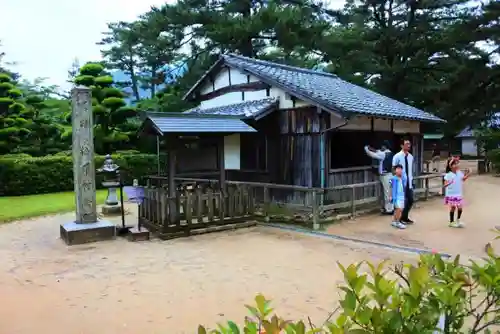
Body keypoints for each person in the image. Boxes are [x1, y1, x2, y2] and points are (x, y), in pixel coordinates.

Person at [364, 140, 394, 214]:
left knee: (387, 193)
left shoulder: (383, 154)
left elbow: (373, 154)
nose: (381, 147)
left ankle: (389, 210)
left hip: (385, 176)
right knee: (389, 192)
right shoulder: (390, 153)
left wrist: (366, 149)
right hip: (390, 175)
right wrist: (371, 148)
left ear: (385, 146)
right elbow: (377, 151)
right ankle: (388, 208)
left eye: (382, 146)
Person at [392, 138, 415, 225]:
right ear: (402, 146)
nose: (408, 146)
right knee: (401, 201)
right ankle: (398, 219)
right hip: (400, 181)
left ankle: (404, 217)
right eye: (406, 144)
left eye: (409, 144)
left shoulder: (410, 157)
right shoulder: (397, 156)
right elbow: (393, 168)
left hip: (408, 180)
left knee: (410, 200)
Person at [443, 159, 470, 228]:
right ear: (450, 166)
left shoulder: (459, 173)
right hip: (451, 194)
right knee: (453, 208)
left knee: (460, 208)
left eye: (457, 164)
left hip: (458, 194)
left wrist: (468, 174)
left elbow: (463, 179)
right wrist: (449, 183)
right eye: (454, 164)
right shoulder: (448, 175)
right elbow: (445, 185)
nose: (457, 165)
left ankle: (458, 220)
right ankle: (451, 222)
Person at [389, 164, 407, 229]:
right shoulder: (393, 178)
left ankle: (394, 221)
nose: (399, 170)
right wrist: (390, 195)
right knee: (398, 209)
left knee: (399, 209)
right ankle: (397, 222)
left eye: (400, 169)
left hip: (402, 195)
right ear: (395, 170)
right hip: (396, 196)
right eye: (398, 169)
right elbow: (391, 187)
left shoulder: (402, 178)